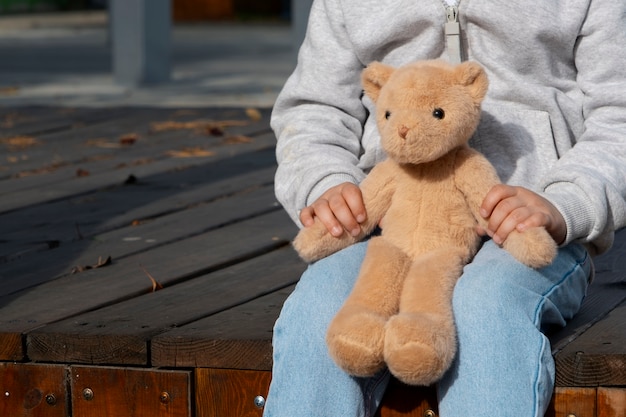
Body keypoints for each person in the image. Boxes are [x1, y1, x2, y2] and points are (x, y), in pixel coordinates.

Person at [264, 0, 626, 416]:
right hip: (389, 222)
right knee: (322, 304)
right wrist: (326, 183)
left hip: (531, 230)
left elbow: (618, 116)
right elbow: (315, 109)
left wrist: (565, 202)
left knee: (486, 305)